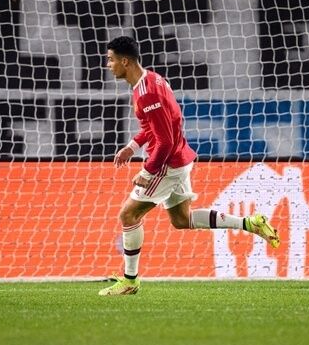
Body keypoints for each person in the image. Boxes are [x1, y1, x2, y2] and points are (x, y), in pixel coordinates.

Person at [99, 36, 280, 296]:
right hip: (180, 158)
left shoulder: (147, 92)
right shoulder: (152, 79)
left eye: (111, 59)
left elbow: (165, 139)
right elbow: (157, 126)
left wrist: (148, 171)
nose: (108, 64)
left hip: (168, 162)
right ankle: (251, 223)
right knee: (182, 220)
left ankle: (130, 280)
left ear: (124, 61)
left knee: (128, 215)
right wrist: (132, 146)